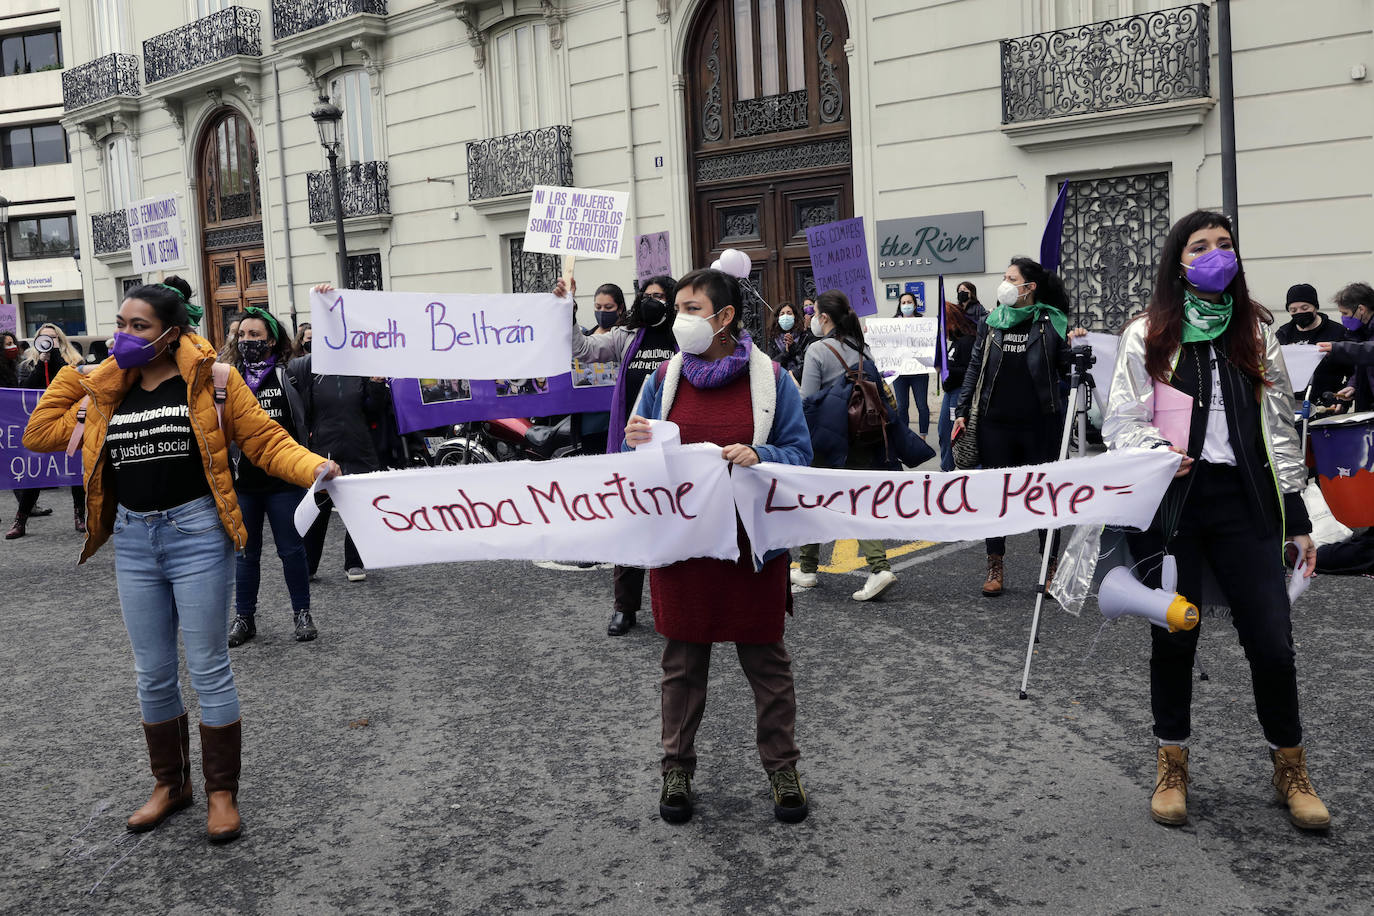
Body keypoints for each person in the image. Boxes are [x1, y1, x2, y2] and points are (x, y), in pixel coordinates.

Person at [22, 276, 339, 843]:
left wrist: (314, 466)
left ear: (170, 333)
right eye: (119, 324)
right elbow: (37, 433)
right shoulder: (104, 388)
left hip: (197, 533)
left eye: (136, 326)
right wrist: (79, 380)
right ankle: (170, 785)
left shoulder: (214, 379)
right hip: (133, 539)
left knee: (208, 666)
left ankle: (221, 793)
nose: (123, 335)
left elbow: (265, 441)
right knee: (152, 672)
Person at [1098, 209, 1328, 831]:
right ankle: (1171, 764)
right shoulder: (1149, 333)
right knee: (1175, 637)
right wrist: (1154, 453)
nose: (1214, 254)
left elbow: (1281, 429)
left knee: (1273, 643)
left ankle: (1291, 769)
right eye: (1200, 246)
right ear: (1179, 260)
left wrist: (1297, 516)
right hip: (1173, 508)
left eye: (1224, 244)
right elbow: (1121, 418)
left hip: (1245, 503)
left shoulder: (1255, 332)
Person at [623, 267, 813, 825]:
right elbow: (634, 461)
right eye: (678, 308)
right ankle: (676, 770)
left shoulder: (772, 379)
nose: (680, 319)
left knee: (768, 666)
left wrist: (764, 456)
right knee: (681, 668)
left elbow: (802, 455)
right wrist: (637, 441)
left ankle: (782, 770)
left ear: (725, 317)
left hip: (750, 552)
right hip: (684, 552)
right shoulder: (663, 380)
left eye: (690, 308)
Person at [952, 258, 1081, 597]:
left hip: (1041, 423)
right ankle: (995, 563)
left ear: (1030, 287)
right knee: (997, 496)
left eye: (1012, 278)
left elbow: (1065, 369)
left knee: (1044, 497)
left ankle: (1049, 566)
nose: (1005, 283)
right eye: (1005, 277)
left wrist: (1076, 345)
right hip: (995, 424)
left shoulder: (1051, 322)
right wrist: (962, 410)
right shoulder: (991, 322)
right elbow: (975, 367)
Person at [558, 274, 678, 637]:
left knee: (674, 525)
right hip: (632, 445)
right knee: (632, 524)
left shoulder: (684, 338)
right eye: (647, 295)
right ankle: (625, 608)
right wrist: (569, 307)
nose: (651, 301)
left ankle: (674, 606)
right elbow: (582, 349)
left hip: (675, 446)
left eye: (659, 296)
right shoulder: (626, 337)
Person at [792, 291, 898, 602]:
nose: (809, 317)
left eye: (813, 312)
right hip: (862, 433)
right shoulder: (861, 347)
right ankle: (811, 567)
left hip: (827, 437)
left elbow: (807, 400)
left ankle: (874, 568)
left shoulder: (817, 350)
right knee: (858, 500)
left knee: (813, 499)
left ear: (824, 318)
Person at [224, 305, 316, 647]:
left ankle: (302, 614)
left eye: (256, 335)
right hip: (243, 484)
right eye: (242, 334)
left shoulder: (288, 374)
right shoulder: (227, 378)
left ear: (272, 340)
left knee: (292, 551)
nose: (247, 340)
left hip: (283, 484)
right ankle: (244, 618)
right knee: (245, 554)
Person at [293, 284, 388, 583]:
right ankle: (307, 565)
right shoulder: (308, 369)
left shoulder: (361, 367)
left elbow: (376, 410)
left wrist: (375, 385)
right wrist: (322, 297)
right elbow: (298, 411)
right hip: (322, 448)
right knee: (318, 510)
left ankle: (354, 563)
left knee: (357, 510)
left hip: (358, 447)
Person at [7, 324, 87, 539]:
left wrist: (56, 360)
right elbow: (24, 392)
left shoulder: (75, 363)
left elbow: (80, 386)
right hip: (41, 426)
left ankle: (80, 516)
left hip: (69, 425)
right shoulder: (27, 365)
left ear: (61, 341)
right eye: (45, 338)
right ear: (37, 340)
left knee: (75, 471)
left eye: (54, 339)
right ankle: (20, 520)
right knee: (35, 473)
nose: (50, 342)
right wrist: (40, 364)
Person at [1277, 283, 1347, 398]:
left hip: (1327, 401)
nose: (1299, 312)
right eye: (1293, 310)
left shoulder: (1337, 332)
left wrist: (1341, 399)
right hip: (1291, 404)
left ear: (1315, 307)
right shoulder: (1283, 334)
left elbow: (1353, 370)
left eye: (1305, 308)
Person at [1318, 283, 1374, 411]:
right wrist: (1354, 386)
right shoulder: (1361, 331)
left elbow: (1369, 351)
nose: (1343, 318)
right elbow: (1364, 366)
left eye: (1345, 313)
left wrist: (1337, 349)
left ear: (1361, 309)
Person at [938, 301, 979, 472]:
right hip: (950, 392)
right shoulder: (954, 342)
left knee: (954, 433)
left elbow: (969, 370)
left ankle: (952, 468)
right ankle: (946, 467)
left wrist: (947, 369)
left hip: (959, 392)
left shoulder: (968, 341)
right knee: (944, 430)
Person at [889, 291, 931, 439]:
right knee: (902, 407)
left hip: (919, 371)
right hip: (900, 373)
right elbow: (883, 341)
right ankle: (904, 437)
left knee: (922, 405)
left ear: (915, 304)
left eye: (909, 302)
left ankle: (923, 436)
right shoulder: (893, 323)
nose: (906, 305)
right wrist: (870, 332)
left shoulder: (923, 322)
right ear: (900, 306)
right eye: (903, 303)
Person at [769, 302, 805, 374]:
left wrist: (793, 346)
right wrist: (786, 353)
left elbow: (805, 362)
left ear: (795, 316)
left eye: (789, 313)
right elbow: (771, 364)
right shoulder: (774, 339)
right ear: (778, 318)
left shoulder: (804, 336)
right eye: (782, 314)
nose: (785, 316)